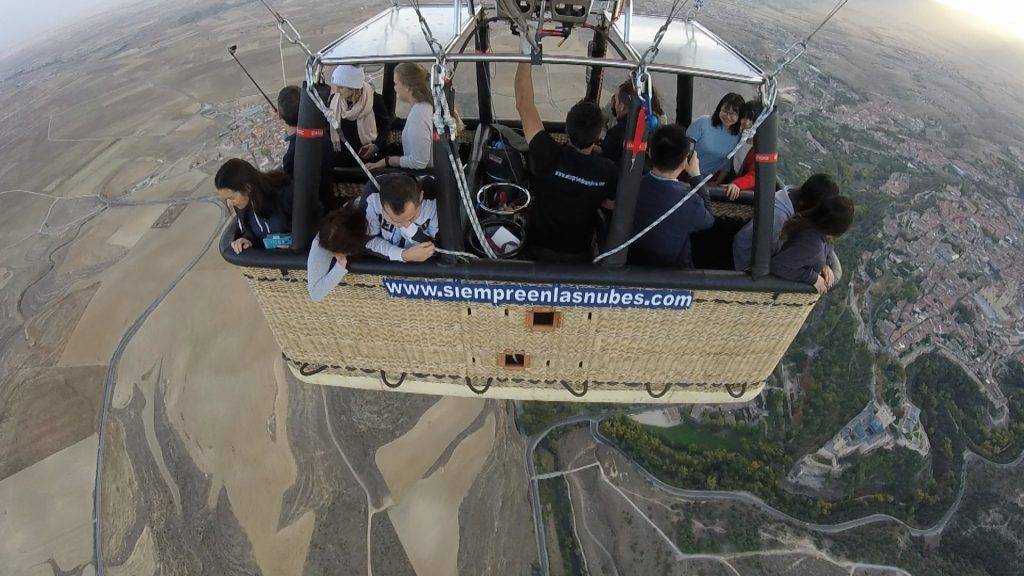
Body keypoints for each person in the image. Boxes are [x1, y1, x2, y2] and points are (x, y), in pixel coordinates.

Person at [514, 36, 619, 263]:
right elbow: (613, 204)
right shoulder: (607, 170)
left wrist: (525, 55)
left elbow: (524, 103)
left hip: (538, 249)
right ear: (598, 136)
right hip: (579, 255)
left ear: (566, 129)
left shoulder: (547, 153)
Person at [628, 124, 714, 268]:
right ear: (684, 162)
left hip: (632, 263)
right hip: (672, 272)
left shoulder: (632, 186)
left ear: (649, 153)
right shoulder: (690, 202)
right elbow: (709, 220)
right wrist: (696, 176)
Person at [732, 173, 839, 272]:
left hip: (754, 253)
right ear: (811, 204)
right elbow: (773, 260)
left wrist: (824, 263)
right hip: (746, 261)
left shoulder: (793, 196)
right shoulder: (777, 217)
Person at [771, 195, 854, 294]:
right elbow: (777, 266)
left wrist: (825, 264)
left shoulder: (810, 221)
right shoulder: (812, 245)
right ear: (837, 229)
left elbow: (827, 245)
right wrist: (812, 278)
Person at [216, 158, 296, 254]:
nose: (229, 203)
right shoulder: (243, 206)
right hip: (272, 262)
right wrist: (246, 240)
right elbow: (254, 233)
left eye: (231, 198)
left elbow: (310, 224)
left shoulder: (283, 195)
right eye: (226, 199)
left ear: (248, 188)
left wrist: (296, 243)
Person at [277, 85, 338, 210]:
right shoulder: (323, 135)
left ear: (279, 115)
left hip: (313, 213)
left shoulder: (290, 157)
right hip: (329, 201)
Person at [366, 63, 433, 171]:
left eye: (396, 83)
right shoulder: (425, 108)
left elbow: (419, 162)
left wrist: (388, 161)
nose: (394, 88)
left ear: (407, 87)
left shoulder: (419, 116)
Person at [325, 65, 391, 167]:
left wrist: (376, 146)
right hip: (341, 158)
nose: (337, 91)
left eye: (341, 87)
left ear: (353, 88)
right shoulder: (335, 101)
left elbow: (385, 126)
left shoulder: (374, 100)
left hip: (365, 159)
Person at [364, 173, 437, 262]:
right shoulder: (373, 195)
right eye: (393, 220)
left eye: (412, 217)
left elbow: (437, 248)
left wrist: (409, 228)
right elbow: (366, 240)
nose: (402, 224)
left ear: (420, 197)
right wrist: (403, 255)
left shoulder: (435, 203)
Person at [307, 204, 369, 302]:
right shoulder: (323, 240)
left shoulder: (368, 209)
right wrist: (340, 266)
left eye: (336, 251)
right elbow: (315, 294)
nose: (335, 254)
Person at [601, 80, 665, 163]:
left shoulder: (615, 133)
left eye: (616, 101)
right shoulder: (656, 129)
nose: (614, 104)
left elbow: (606, 157)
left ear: (621, 106)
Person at [686, 92, 745, 180]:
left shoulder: (738, 137)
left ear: (740, 116)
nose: (728, 117)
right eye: (725, 111)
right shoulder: (702, 122)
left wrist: (717, 182)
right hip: (684, 172)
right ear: (719, 109)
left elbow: (726, 163)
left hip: (706, 181)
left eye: (733, 114)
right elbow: (686, 149)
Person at [721, 99, 763, 200]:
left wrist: (738, 184)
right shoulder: (739, 138)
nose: (746, 122)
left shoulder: (761, 150)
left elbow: (756, 174)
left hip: (742, 192)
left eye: (752, 120)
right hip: (728, 180)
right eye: (744, 117)